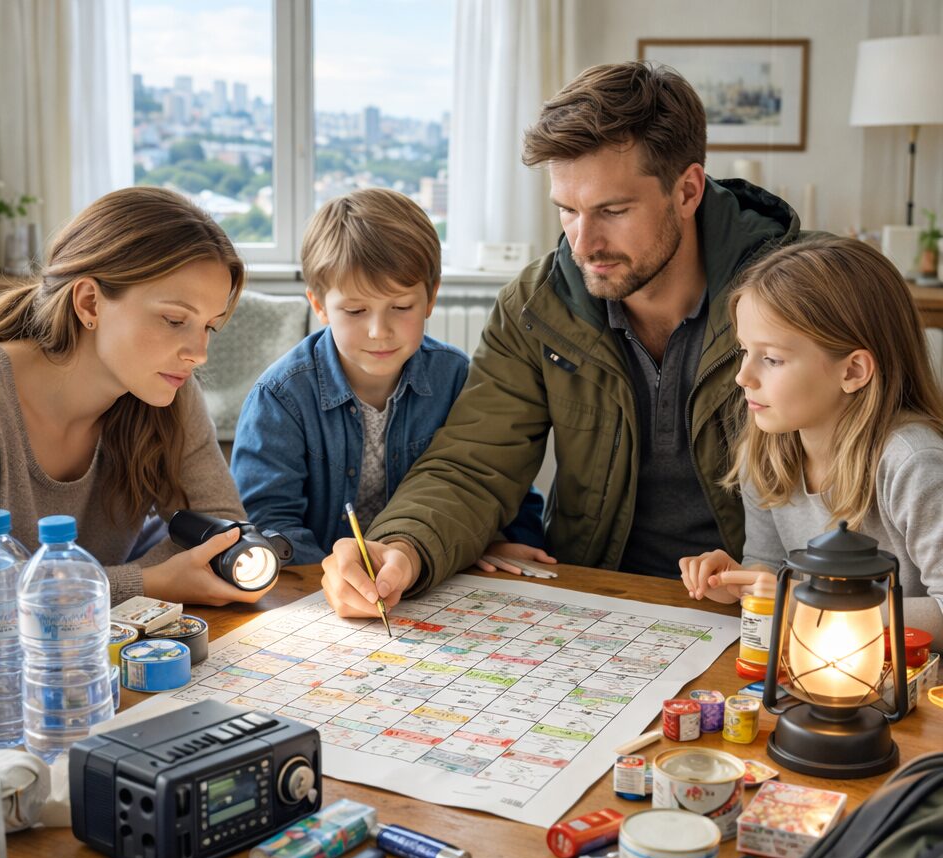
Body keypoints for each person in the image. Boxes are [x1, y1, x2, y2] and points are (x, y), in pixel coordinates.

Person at [321, 60, 803, 619]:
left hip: (768, 608)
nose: (584, 242)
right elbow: (475, 465)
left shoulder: (808, 293)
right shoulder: (535, 306)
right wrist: (402, 546)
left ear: (688, 190)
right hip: (593, 601)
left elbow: (874, 474)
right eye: (567, 211)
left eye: (613, 211)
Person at [0, 186, 269, 607]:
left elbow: (226, 534)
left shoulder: (170, 391)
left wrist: (150, 578)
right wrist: (145, 583)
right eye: (174, 319)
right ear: (89, 303)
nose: (198, 353)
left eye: (209, 326)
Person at [230, 187, 549, 567]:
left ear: (431, 297)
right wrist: (337, 576)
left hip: (426, 578)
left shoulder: (457, 377)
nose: (379, 331)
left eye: (400, 307)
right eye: (354, 310)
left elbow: (502, 479)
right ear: (319, 306)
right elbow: (268, 523)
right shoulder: (281, 396)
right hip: (320, 590)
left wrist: (492, 539)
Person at [679, 237, 943, 641]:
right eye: (744, 351)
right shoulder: (765, 450)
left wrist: (808, 603)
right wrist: (741, 583)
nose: (742, 377)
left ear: (853, 371)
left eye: (771, 358)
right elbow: (770, 566)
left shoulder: (912, 462)